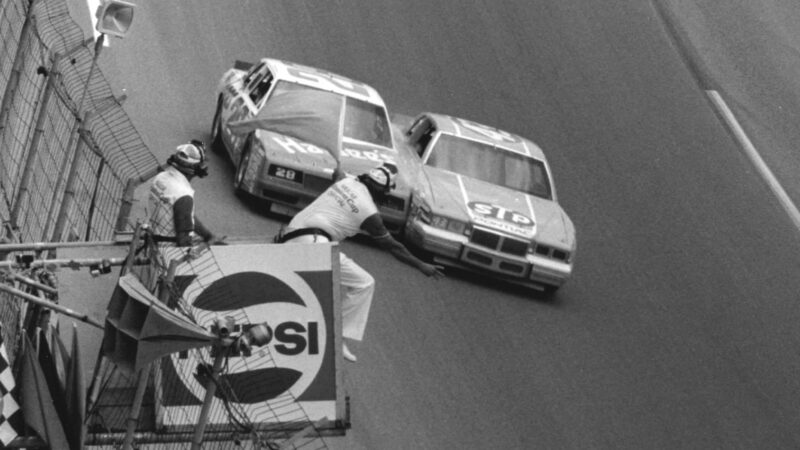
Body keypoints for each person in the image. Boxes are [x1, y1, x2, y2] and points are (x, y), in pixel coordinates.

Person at [275, 162, 444, 362]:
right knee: (363, 283)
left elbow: (336, 174)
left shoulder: (346, 181)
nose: (386, 197)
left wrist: (338, 164)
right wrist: (421, 265)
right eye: (387, 192)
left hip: (290, 233)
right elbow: (393, 247)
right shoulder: (368, 212)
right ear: (381, 190)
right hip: (313, 245)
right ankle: (335, 338)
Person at [148, 140, 224, 247]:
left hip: (153, 239)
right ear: (197, 168)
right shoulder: (183, 195)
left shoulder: (161, 177)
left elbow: (186, 216)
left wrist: (208, 236)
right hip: (168, 249)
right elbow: (184, 241)